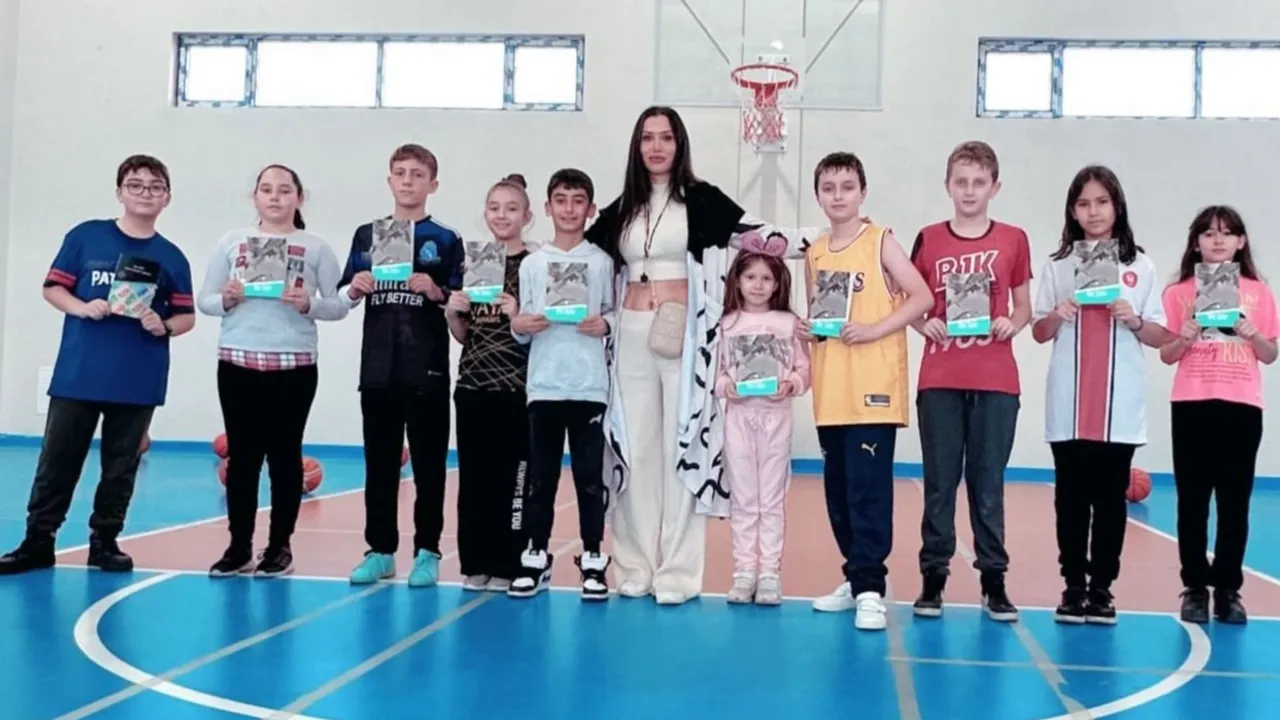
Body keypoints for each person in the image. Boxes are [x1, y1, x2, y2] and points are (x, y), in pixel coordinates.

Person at [585, 105, 822, 605]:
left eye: (666, 137)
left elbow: (763, 237)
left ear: (680, 144)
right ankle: (634, 565)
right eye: (647, 137)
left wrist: (828, 240)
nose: (656, 146)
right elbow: (583, 257)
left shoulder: (702, 199)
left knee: (679, 449)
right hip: (630, 335)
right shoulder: (622, 209)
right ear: (637, 145)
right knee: (636, 451)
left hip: (685, 339)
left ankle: (677, 572)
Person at [0, 154, 195, 575]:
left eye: (155, 187)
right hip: (80, 372)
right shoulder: (86, 236)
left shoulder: (172, 257)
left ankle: (105, 542)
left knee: (121, 466)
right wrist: (82, 307)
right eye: (135, 184)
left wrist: (162, 325)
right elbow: (53, 288)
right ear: (119, 192)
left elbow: (186, 317)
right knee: (57, 461)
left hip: (138, 376)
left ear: (167, 198)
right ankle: (38, 541)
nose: (145, 193)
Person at [1031, 165, 1173, 625]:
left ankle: (1102, 590)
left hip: (1119, 407)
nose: (1093, 211)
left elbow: (1159, 335)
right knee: (1070, 501)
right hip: (1068, 405)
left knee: (1110, 502)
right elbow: (1038, 331)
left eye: (1102, 202)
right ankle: (1073, 586)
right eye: (1083, 203)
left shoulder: (1140, 266)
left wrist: (1133, 319)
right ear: (1072, 211)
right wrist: (1059, 312)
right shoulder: (1058, 265)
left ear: (1117, 206)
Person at [800, 151, 934, 631]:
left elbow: (922, 296)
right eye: (828, 188)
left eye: (847, 187)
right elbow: (820, 319)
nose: (838, 196)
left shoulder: (880, 240)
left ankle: (872, 589)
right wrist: (809, 329)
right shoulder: (815, 252)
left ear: (863, 192)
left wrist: (874, 329)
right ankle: (855, 579)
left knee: (868, 492)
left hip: (872, 388)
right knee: (838, 494)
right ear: (818, 196)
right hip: (831, 389)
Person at [197, 164, 349, 578]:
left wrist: (308, 304)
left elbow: (339, 304)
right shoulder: (232, 242)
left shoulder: (315, 247)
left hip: (293, 366)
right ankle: (238, 547)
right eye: (266, 189)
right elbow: (204, 299)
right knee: (243, 461)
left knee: (284, 459)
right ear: (255, 197)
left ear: (299, 197)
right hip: (237, 362)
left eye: (284, 189)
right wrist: (226, 299)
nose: (275, 197)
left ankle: (280, 546)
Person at [907, 141, 1031, 621]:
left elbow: (1023, 306)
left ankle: (993, 579)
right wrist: (925, 324)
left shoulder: (1014, 239)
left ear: (994, 187)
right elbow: (908, 300)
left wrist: (1011, 324)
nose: (970, 190)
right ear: (947, 186)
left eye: (979, 182)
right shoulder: (929, 238)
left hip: (996, 379)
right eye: (961, 182)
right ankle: (933, 576)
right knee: (940, 483)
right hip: (940, 377)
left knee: (987, 484)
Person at [341, 144, 464, 588]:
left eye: (417, 174)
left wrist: (437, 292)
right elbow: (341, 295)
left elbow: (464, 300)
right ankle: (380, 551)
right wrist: (354, 287)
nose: (407, 181)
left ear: (433, 184)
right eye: (400, 173)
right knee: (379, 466)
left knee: (429, 467)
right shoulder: (366, 235)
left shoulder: (446, 239)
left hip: (427, 370)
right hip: (377, 370)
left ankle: (428, 551)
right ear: (389, 180)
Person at [1160, 205, 1277, 625]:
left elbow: (1270, 354)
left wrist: (1253, 334)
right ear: (1196, 243)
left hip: (1241, 405)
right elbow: (1166, 354)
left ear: (1241, 241)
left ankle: (1228, 589)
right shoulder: (1178, 293)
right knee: (1192, 502)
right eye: (1209, 233)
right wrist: (1185, 337)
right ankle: (1194, 587)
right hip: (1192, 403)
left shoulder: (1259, 292)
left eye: (1227, 233)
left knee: (1234, 502)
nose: (1218, 240)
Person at [508, 169, 615, 600]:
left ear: (591, 209)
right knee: (541, 476)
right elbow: (522, 324)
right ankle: (536, 555)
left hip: (589, 386)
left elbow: (614, 312)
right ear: (547, 208)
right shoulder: (533, 264)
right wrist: (520, 325)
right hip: (545, 386)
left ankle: (593, 558)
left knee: (590, 478)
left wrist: (607, 324)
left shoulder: (602, 262)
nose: (569, 209)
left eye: (578, 200)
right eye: (561, 200)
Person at [446, 173, 535, 592]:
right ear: (485, 214)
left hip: (517, 388)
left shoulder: (536, 266)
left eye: (511, 208)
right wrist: (453, 313)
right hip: (472, 386)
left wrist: (518, 313)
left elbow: (541, 327)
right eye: (495, 208)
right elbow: (466, 334)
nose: (502, 215)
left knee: (513, 480)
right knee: (474, 480)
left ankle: (510, 561)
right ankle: (475, 562)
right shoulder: (473, 264)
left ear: (527, 216)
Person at [713, 247, 809, 605]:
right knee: (744, 500)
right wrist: (727, 387)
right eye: (751, 277)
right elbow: (717, 372)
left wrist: (791, 384)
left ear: (777, 284)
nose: (758, 285)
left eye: (766, 278)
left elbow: (804, 370)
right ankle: (743, 572)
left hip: (776, 419)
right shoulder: (726, 324)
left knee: (771, 500)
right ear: (737, 281)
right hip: (738, 419)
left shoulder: (788, 324)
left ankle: (769, 573)